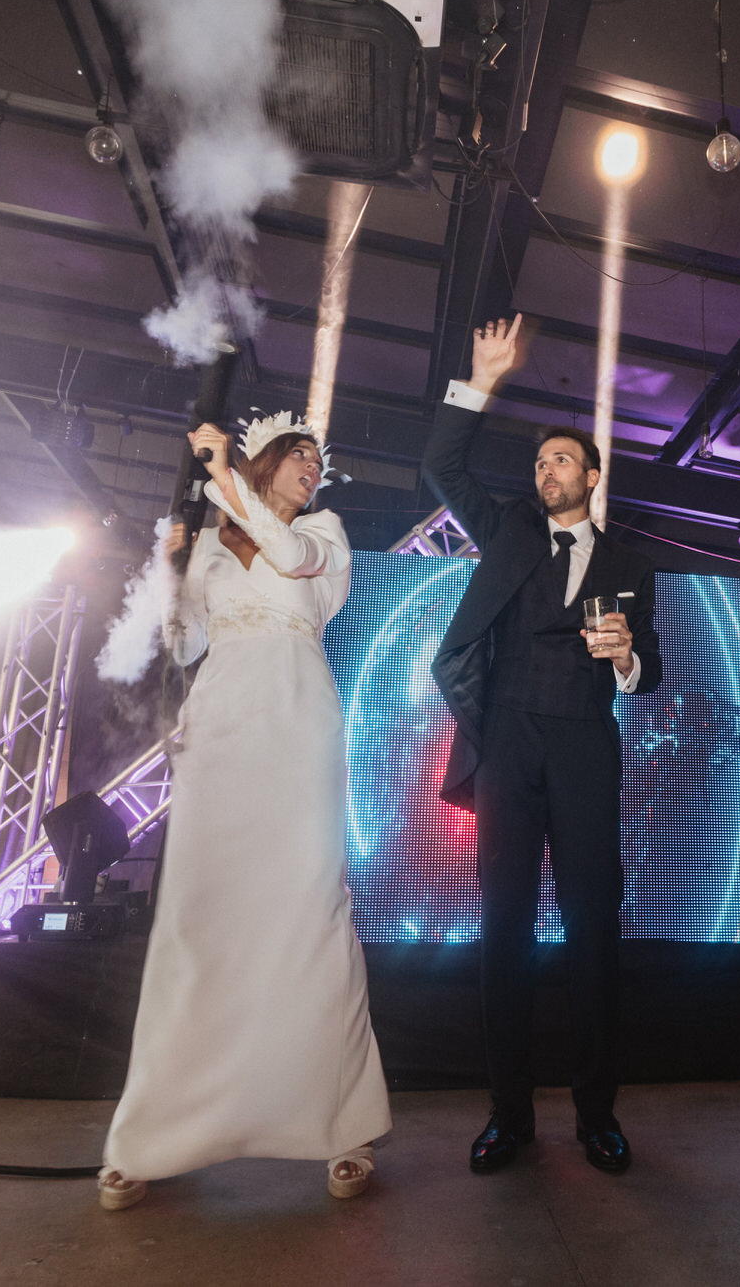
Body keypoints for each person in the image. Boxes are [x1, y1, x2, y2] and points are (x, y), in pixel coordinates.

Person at [96, 413, 390, 1211]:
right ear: (266, 461)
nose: (311, 468)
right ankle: (150, 1135)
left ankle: (344, 1126)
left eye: (316, 460)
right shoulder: (210, 546)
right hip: (220, 722)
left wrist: (223, 478)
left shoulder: (324, 532)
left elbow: (289, 556)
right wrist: (169, 579)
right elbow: (185, 645)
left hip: (297, 718)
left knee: (310, 907)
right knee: (197, 913)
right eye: (298, 455)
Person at [423, 314, 662, 1176]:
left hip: (586, 746)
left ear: (592, 477)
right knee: (504, 930)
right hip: (509, 743)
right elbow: (442, 466)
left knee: (593, 927)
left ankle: (597, 1114)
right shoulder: (511, 532)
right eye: (539, 462)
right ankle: (508, 1114)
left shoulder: (630, 563)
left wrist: (627, 656)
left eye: (562, 460)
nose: (546, 470)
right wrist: (481, 382)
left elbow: (650, 669)